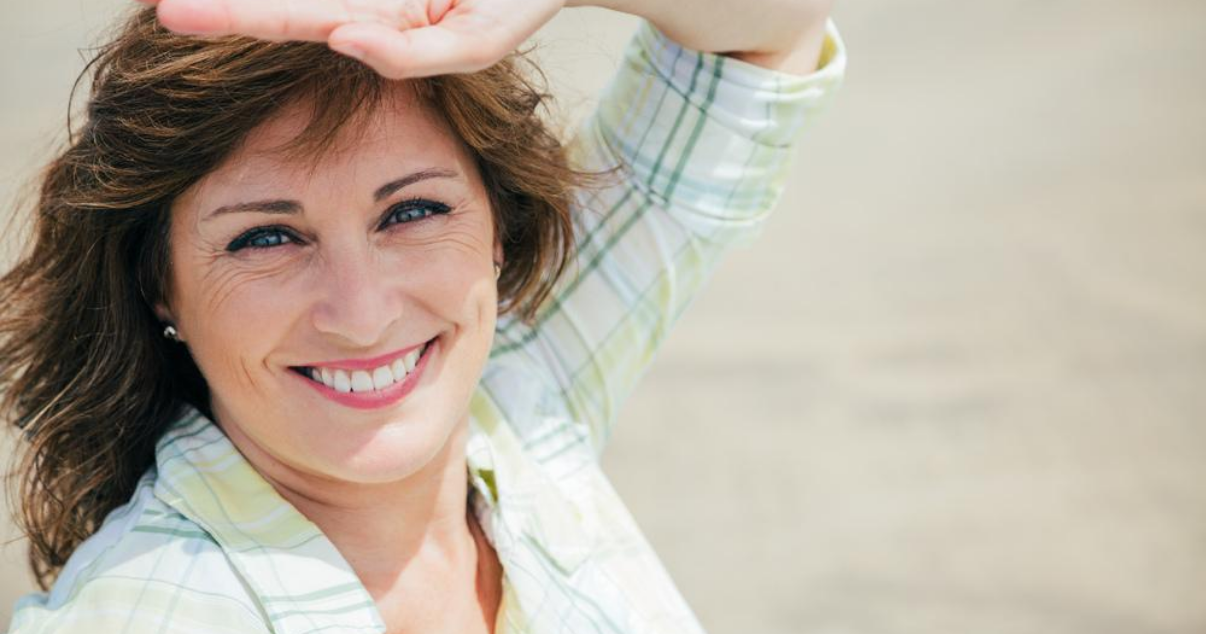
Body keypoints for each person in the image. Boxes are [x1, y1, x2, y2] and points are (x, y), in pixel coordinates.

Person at [1, 0, 845, 631]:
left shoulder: (515, 393)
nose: (363, 317)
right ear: (161, 284)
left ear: (498, 229)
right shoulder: (141, 615)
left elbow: (766, 32)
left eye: (411, 214)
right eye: (267, 237)